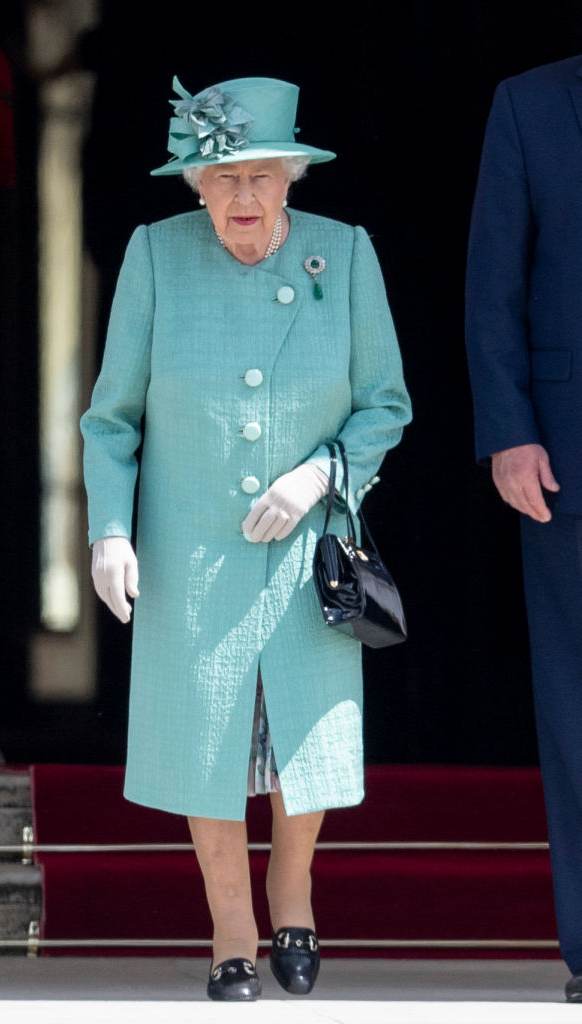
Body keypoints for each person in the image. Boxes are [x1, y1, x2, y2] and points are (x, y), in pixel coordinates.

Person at [81, 75, 411, 1001]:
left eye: (262, 177)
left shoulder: (344, 258)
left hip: (307, 549)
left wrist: (321, 476)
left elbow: (384, 405)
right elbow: (113, 421)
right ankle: (230, 921)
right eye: (222, 179)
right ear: (192, 183)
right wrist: (111, 531)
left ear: (293, 177)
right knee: (205, 736)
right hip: (192, 548)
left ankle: (291, 889)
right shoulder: (156, 256)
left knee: (300, 734)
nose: (243, 199)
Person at [465, 55, 582, 1003]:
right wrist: (508, 432)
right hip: (566, 457)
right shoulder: (529, 103)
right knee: (575, 709)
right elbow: (492, 279)